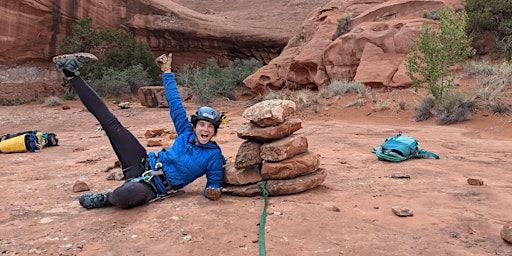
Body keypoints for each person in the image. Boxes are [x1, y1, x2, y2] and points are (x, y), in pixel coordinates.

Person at [52, 52, 226, 209]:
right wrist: (167, 72)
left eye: (210, 126)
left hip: (153, 187)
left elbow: (214, 182)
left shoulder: (214, 155)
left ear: (214, 132)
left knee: (126, 194)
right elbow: (175, 104)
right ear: (195, 126)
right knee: (111, 123)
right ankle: (71, 73)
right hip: (142, 162)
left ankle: (107, 198)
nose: (205, 129)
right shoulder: (186, 132)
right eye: (202, 124)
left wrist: (213, 191)